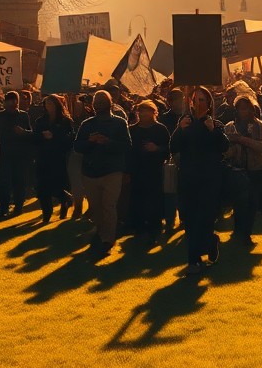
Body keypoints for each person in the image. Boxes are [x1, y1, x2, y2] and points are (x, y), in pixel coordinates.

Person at [170, 88, 229, 275]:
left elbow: (224, 146)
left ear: (209, 103)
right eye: (195, 100)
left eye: (202, 100)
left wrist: (213, 131)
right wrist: (180, 131)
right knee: (190, 219)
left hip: (209, 178)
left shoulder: (215, 124)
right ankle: (201, 251)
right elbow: (174, 147)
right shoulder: (185, 123)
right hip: (188, 177)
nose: (199, 103)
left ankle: (197, 257)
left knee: (204, 218)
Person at [74, 91, 131, 256]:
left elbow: (126, 146)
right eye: (96, 102)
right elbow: (78, 146)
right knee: (97, 207)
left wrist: (107, 142)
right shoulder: (87, 124)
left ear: (110, 103)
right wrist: (90, 142)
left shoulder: (119, 123)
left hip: (112, 171)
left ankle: (108, 238)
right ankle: (100, 232)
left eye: (102, 101)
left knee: (109, 205)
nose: (99, 104)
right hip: (91, 172)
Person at [223, 95, 262, 244]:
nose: (243, 111)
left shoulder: (259, 125)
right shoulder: (230, 126)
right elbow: (224, 150)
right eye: (240, 108)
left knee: (252, 202)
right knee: (239, 202)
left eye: (246, 108)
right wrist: (232, 144)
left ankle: (247, 232)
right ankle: (238, 230)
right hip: (236, 168)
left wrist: (243, 140)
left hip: (255, 168)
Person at [29, 95, 75, 224]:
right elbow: (35, 138)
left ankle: (65, 200)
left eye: (51, 103)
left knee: (57, 186)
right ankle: (46, 215)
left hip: (58, 158)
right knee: (43, 188)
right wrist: (42, 136)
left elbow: (70, 139)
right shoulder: (40, 121)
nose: (49, 106)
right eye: (47, 104)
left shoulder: (65, 121)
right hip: (43, 158)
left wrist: (54, 136)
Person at [128, 99, 170, 235]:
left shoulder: (160, 129)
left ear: (153, 112)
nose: (143, 114)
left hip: (154, 170)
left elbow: (168, 149)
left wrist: (157, 148)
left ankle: (154, 223)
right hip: (137, 170)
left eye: (146, 111)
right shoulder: (132, 130)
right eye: (141, 111)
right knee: (137, 197)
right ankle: (138, 224)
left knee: (154, 198)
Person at [0, 91, 32, 218]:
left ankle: (18, 206)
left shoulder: (23, 116)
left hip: (20, 156)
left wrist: (24, 132)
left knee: (19, 182)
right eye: (9, 101)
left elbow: (30, 133)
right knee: (4, 183)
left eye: (14, 101)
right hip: (4, 155)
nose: (12, 103)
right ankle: (4, 207)